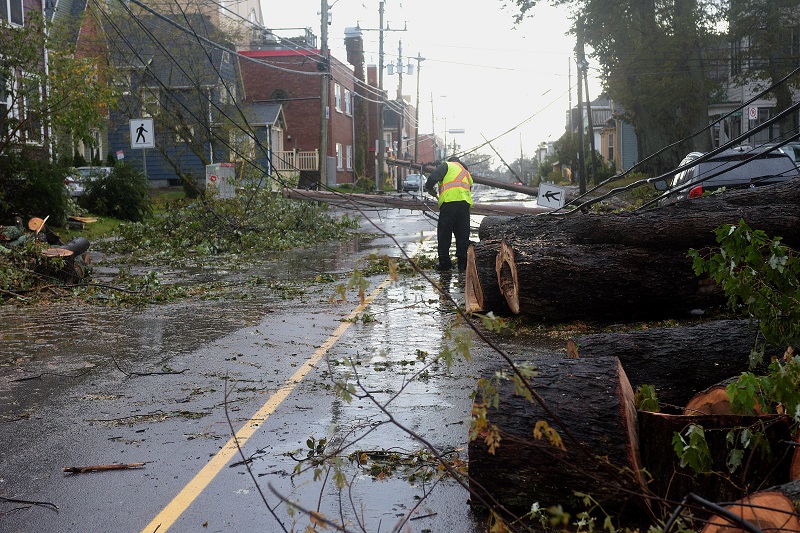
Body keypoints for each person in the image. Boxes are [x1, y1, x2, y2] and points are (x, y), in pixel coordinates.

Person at [424, 155, 473, 270]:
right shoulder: (466, 172)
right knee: (462, 234)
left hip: (449, 203)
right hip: (464, 204)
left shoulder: (447, 165)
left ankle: (445, 263)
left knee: (444, 233)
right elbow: (469, 187)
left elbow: (432, 177)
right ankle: (462, 264)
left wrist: (429, 187)